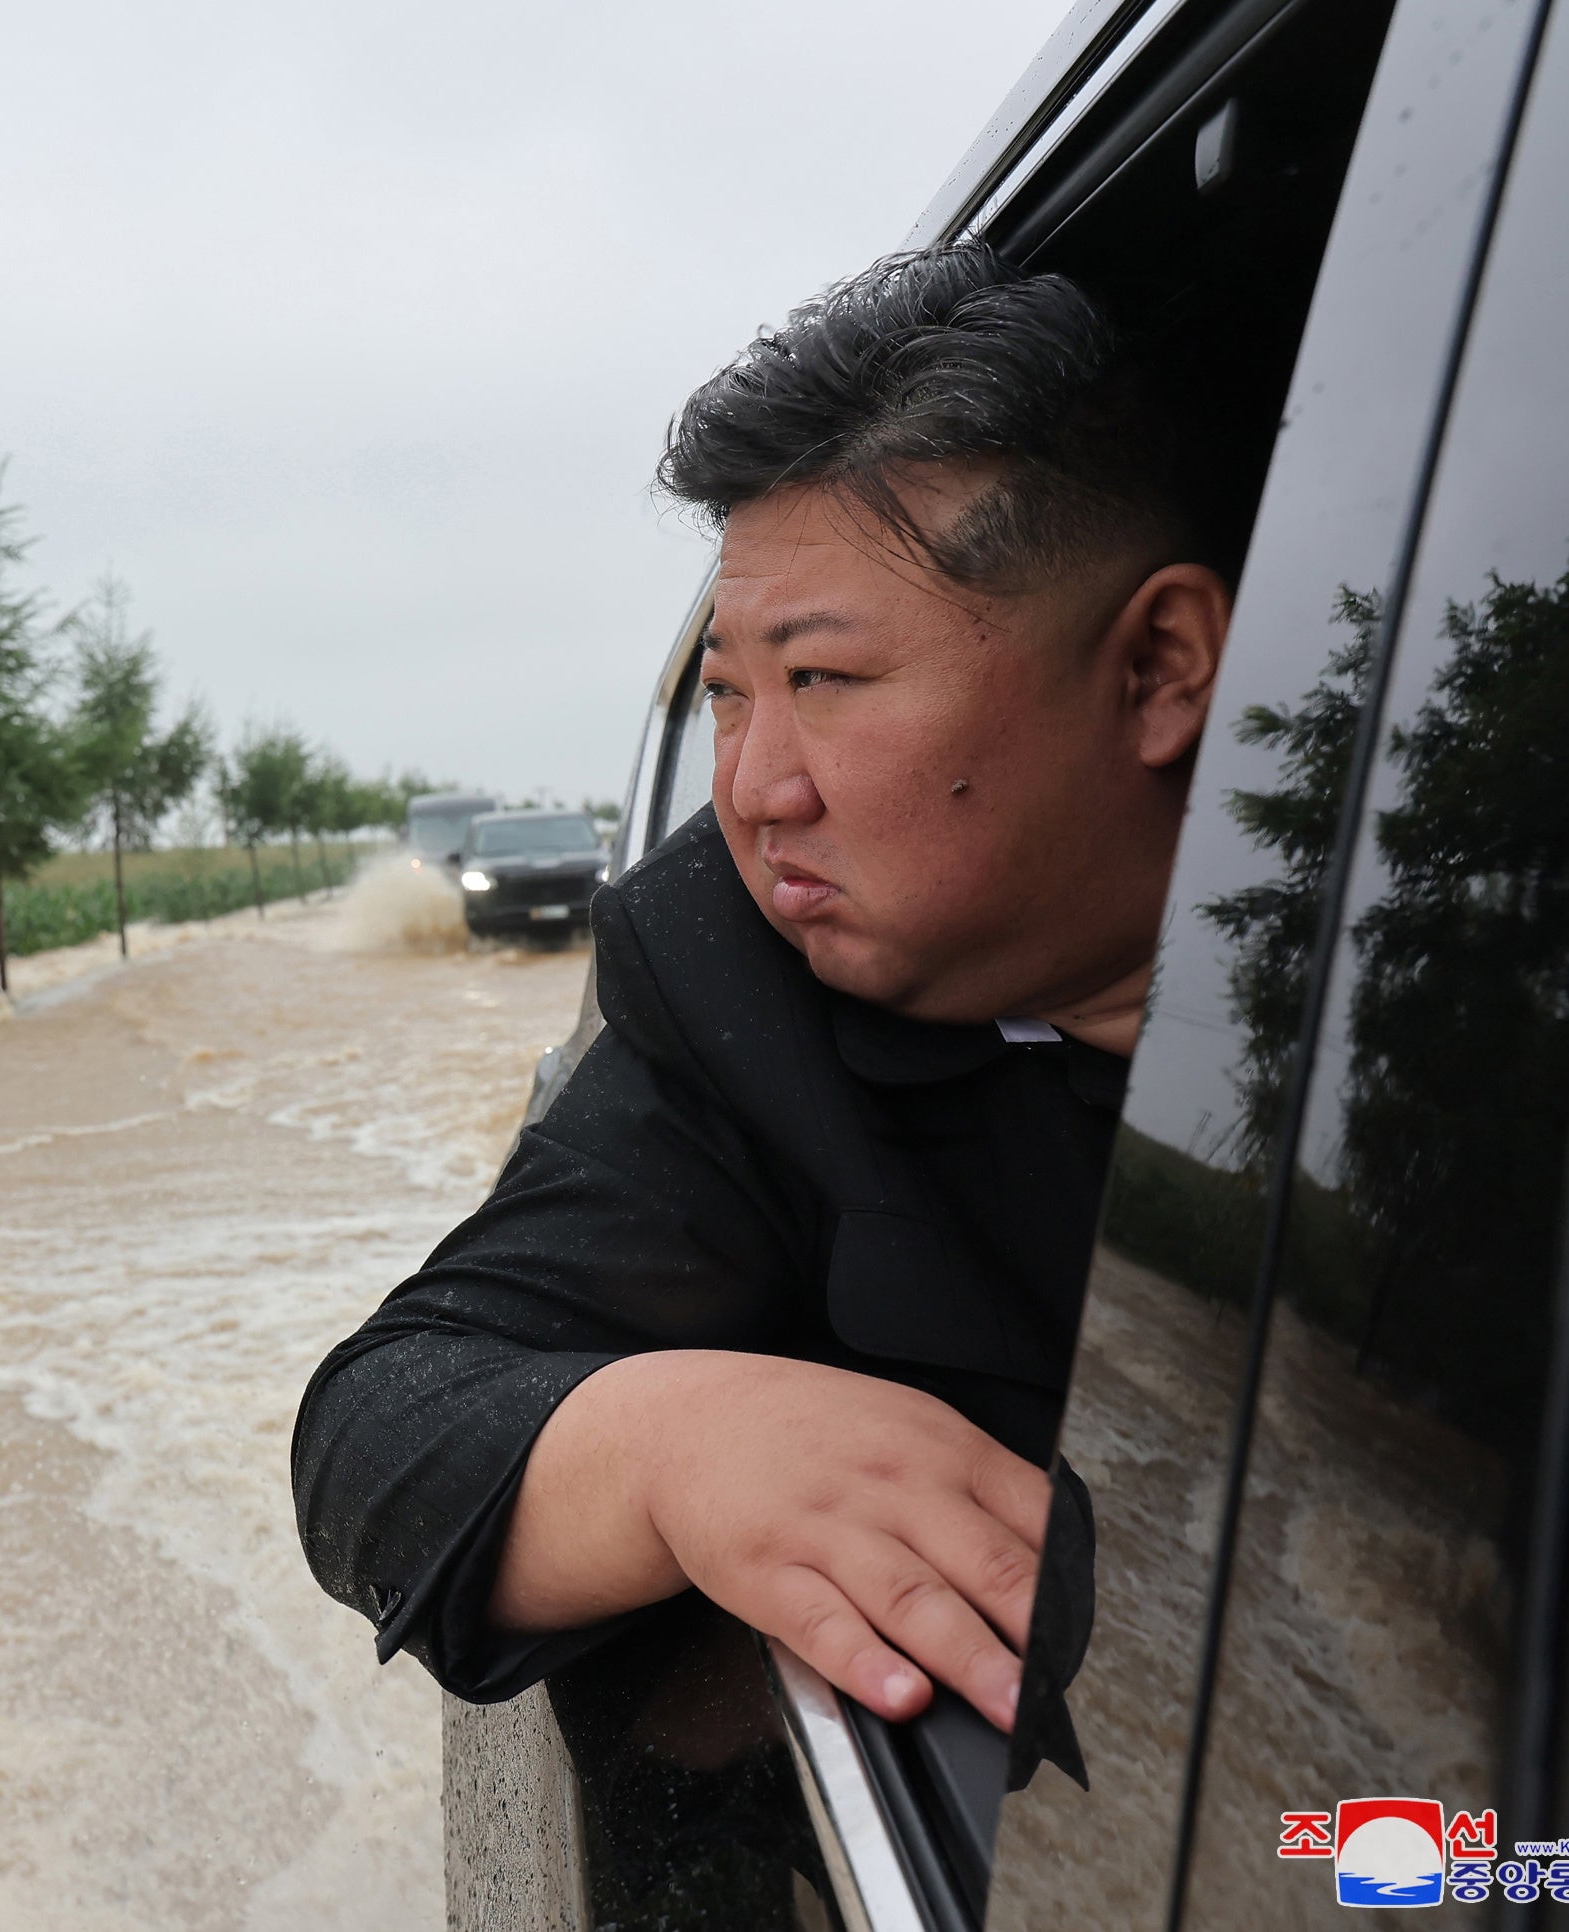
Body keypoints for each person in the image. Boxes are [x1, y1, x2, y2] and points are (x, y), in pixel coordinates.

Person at [290, 244, 1235, 1766]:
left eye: (828, 682)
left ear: (1158, 670)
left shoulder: (1502, 982)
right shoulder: (731, 977)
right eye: (730, 692)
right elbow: (382, 1434)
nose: (751, 789)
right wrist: (668, 1446)